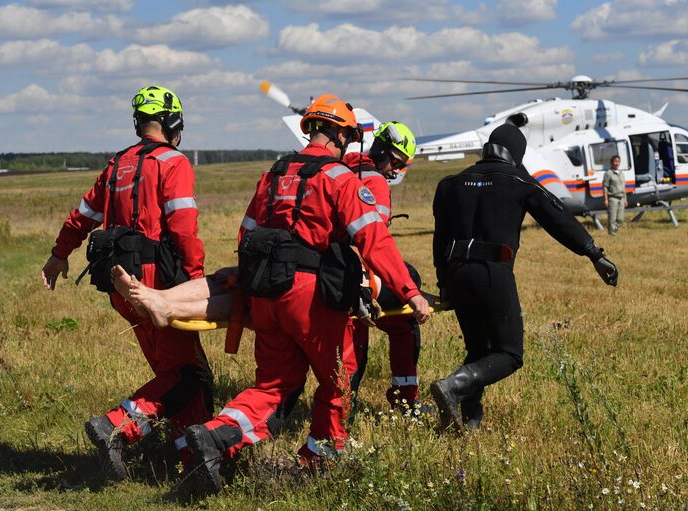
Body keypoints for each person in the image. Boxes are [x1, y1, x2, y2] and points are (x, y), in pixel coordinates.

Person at [184, 94, 430, 493]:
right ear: (339, 135)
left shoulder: (276, 172)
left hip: (264, 292)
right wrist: (410, 292)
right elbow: (373, 239)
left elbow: (246, 233)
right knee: (338, 378)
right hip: (310, 294)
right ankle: (321, 460)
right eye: (348, 138)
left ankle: (216, 435)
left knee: (273, 385)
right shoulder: (339, 178)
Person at [40, 85, 213, 480]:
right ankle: (116, 427)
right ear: (173, 123)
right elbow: (184, 228)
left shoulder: (115, 165)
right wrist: (195, 284)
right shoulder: (174, 163)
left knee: (176, 373)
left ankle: (190, 457)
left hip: (120, 287)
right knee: (188, 375)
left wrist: (59, 254)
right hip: (157, 286)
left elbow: (82, 215)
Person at [430, 122, 618, 432]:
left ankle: (469, 423)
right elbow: (557, 218)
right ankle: (453, 385)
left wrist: (443, 282)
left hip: (457, 272)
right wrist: (594, 253)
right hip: (493, 271)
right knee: (508, 353)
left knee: (479, 350)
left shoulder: (450, 183)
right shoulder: (518, 180)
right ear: (517, 154)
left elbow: (440, 239)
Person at [343, 121, 427, 410]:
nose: (396, 171)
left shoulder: (344, 168)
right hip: (356, 276)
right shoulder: (375, 182)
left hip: (328, 270)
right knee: (405, 320)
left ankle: (341, 408)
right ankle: (406, 401)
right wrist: (408, 288)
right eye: (396, 163)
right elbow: (373, 242)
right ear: (383, 152)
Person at [603, 155, 628, 236]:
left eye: (618, 161)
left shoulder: (621, 173)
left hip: (621, 197)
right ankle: (612, 234)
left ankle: (614, 230)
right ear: (612, 162)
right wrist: (606, 199)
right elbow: (605, 187)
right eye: (615, 161)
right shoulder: (608, 173)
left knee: (620, 218)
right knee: (612, 217)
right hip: (613, 197)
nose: (617, 163)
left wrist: (625, 199)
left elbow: (624, 187)